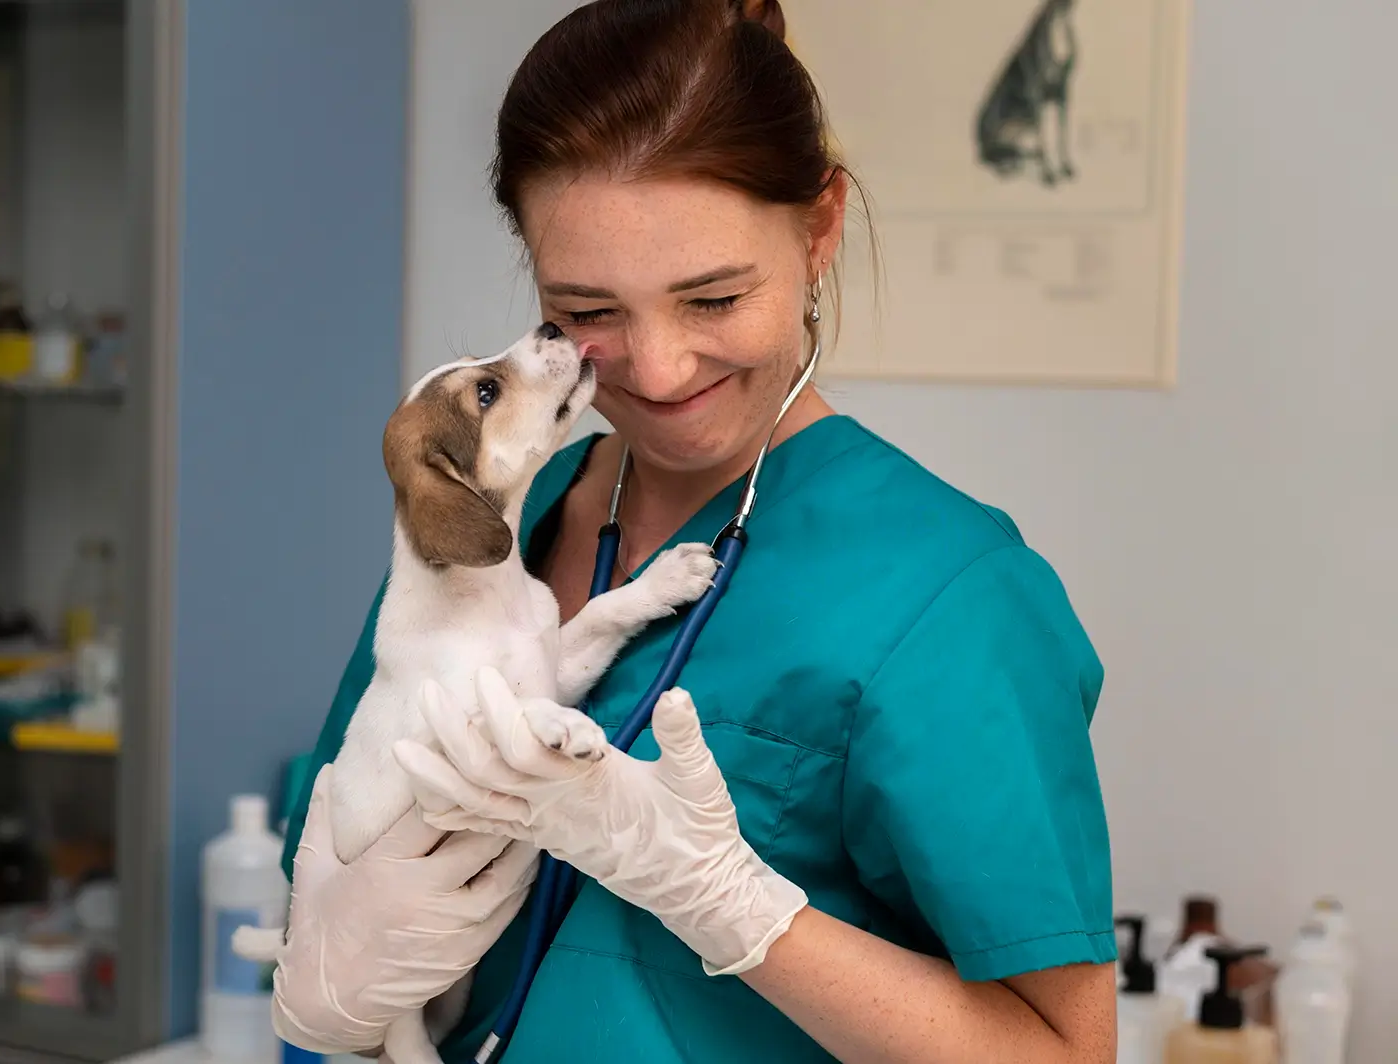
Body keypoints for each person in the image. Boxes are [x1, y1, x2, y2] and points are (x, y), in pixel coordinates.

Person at [273, 1, 1117, 1061]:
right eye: (590, 307)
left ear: (818, 232)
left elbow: (1064, 1052)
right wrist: (328, 1005)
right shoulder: (491, 537)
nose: (659, 369)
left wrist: (737, 909)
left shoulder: (951, 593)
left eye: (712, 297)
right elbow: (334, 859)